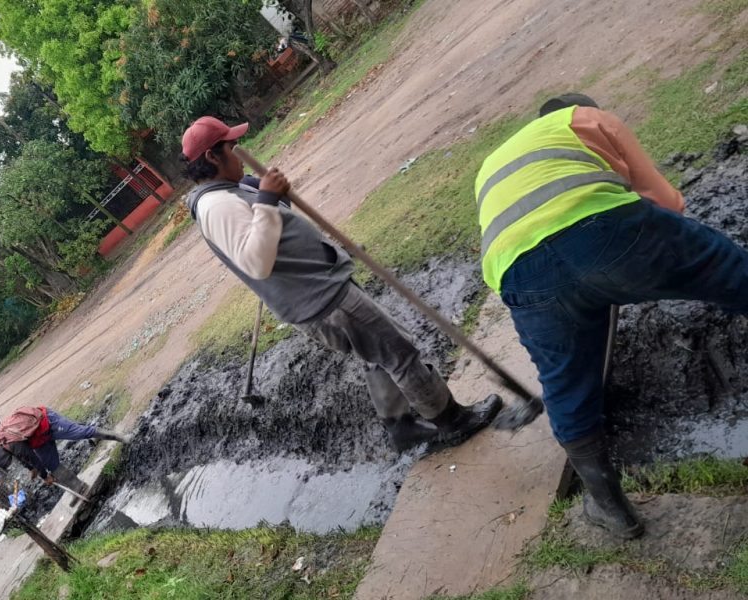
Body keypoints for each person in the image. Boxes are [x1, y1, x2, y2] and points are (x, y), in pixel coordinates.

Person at [473, 92, 741, 539]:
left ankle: (610, 508)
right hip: (601, 230)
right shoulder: (585, 119)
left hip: (520, 275)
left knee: (565, 384)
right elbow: (666, 203)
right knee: (727, 269)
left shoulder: (491, 165)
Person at [179, 116, 503, 452]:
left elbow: (270, 217)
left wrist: (270, 195)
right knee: (398, 351)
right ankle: (452, 422)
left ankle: (401, 426)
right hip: (323, 299)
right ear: (212, 156)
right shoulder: (217, 206)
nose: (240, 152)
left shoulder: (228, 191)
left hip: (321, 288)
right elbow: (256, 262)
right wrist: (266, 201)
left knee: (376, 353)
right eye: (232, 147)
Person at [0, 406, 130, 505]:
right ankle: (79, 488)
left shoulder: (11, 443)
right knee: (52, 465)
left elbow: (32, 458)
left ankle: (121, 437)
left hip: (47, 422)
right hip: (37, 438)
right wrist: (31, 469)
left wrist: (44, 476)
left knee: (80, 433)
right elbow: (22, 457)